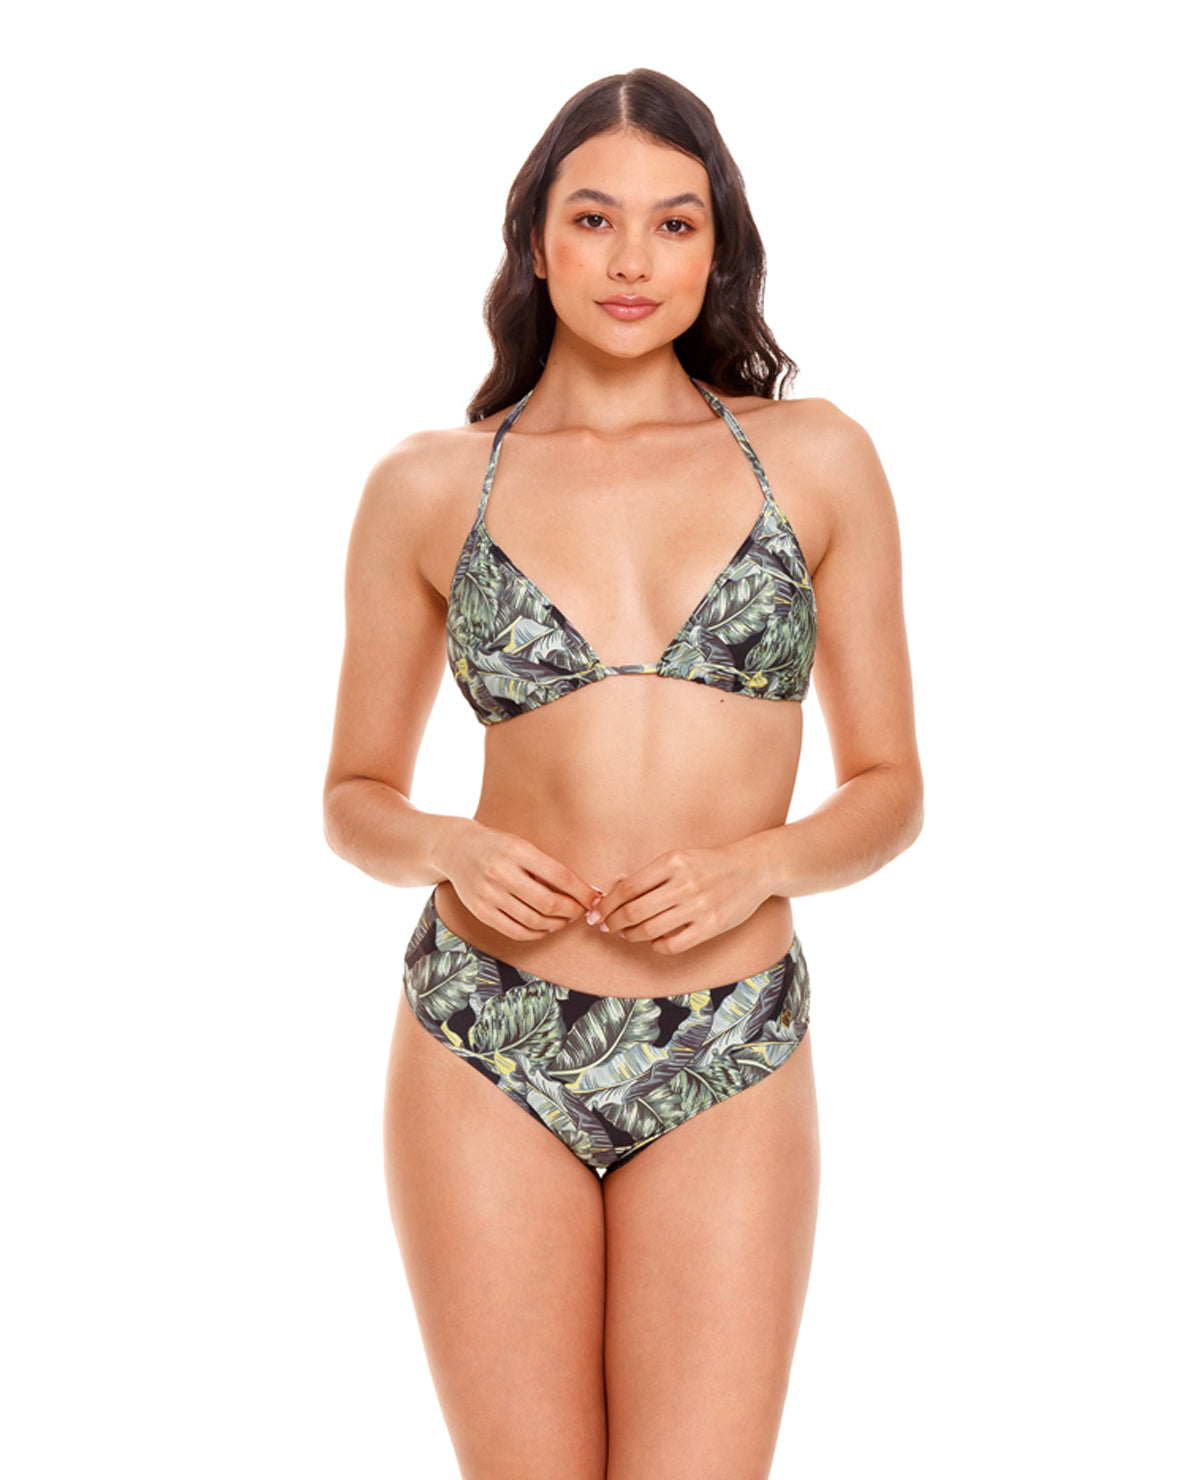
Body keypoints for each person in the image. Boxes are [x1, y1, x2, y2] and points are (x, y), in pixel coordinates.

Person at [323, 67, 922, 1480]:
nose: (634, 260)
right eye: (595, 219)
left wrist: (758, 866)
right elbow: (353, 797)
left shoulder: (816, 459)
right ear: (537, 241)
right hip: (486, 1034)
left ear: (720, 250)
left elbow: (891, 786)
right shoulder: (428, 485)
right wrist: (450, 846)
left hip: (728, 1037)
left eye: (675, 223)